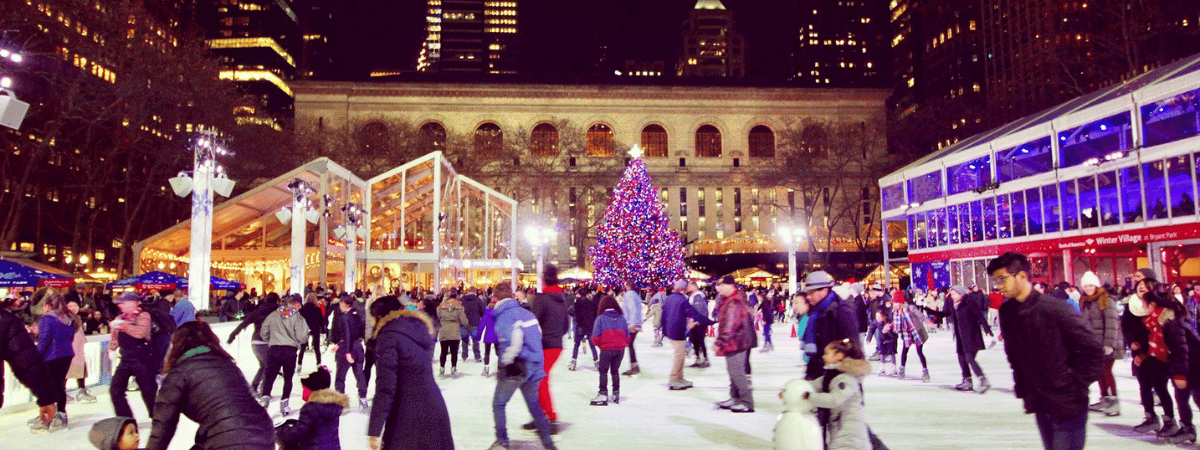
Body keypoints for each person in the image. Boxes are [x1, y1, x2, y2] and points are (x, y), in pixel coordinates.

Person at [989, 251, 1104, 450]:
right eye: (995, 280)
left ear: (1022, 276)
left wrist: (1075, 384)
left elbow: (1093, 349)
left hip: (1068, 404)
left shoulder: (1054, 309)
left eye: (1002, 279)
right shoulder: (1008, 313)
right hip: (1040, 401)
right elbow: (1014, 356)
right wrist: (1023, 387)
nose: (998, 285)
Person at [145, 321, 275, 450]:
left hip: (228, 439)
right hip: (264, 433)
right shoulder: (228, 365)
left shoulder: (179, 373)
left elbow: (163, 426)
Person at [367, 296, 455, 450]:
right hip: (434, 407)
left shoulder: (388, 336)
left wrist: (374, 429)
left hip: (407, 415)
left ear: (379, 317)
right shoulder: (417, 329)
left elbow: (386, 387)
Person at [489, 282, 558, 450]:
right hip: (534, 365)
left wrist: (504, 362)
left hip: (517, 367)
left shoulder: (505, 316)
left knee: (498, 403)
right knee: (534, 405)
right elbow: (538, 335)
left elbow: (513, 343)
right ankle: (548, 443)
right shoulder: (527, 313)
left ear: (495, 298)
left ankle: (502, 440)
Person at [804, 338, 871, 450]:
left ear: (839, 356)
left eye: (826, 354)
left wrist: (809, 396)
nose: (823, 356)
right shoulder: (831, 377)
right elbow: (812, 385)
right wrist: (793, 390)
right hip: (841, 435)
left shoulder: (846, 379)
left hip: (851, 438)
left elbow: (835, 400)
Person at [527, 264, 569, 430]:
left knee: (540, 380)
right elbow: (566, 325)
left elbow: (533, 323)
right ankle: (540, 415)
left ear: (544, 281)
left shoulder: (541, 299)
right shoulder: (562, 300)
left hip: (543, 345)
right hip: (556, 345)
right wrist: (556, 335)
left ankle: (550, 417)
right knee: (538, 380)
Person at [927, 285, 992, 391]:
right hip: (961, 336)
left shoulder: (969, 301)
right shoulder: (954, 305)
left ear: (960, 293)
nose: (952, 296)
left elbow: (978, 314)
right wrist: (932, 312)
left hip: (972, 336)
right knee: (962, 358)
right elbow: (946, 313)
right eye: (951, 294)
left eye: (954, 294)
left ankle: (983, 380)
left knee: (969, 358)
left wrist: (986, 327)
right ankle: (967, 381)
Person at [800, 271, 862, 381]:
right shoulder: (816, 313)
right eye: (807, 293)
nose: (808, 297)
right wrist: (810, 374)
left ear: (824, 290)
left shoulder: (841, 310)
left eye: (811, 293)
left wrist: (835, 354)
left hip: (841, 376)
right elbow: (817, 349)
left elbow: (852, 344)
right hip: (823, 372)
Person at [1079, 271, 1122, 417]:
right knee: (1098, 372)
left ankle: (1113, 401)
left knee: (1106, 371)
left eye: (1091, 285)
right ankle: (1105, 398)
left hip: (1108, 343)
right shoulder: (1085, 300)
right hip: (1094, 345)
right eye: (1086, 286)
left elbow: (1112, 323)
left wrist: (1109, 344)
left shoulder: (1106, 300)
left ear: (1096, 285)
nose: (1088, 288)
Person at [109, 292, 158, 421]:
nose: (120, 305)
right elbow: (114, 335)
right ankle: (126, 419)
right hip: (125, 358)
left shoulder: (143, 316)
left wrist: (122, 325)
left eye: (123, 303)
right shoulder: (120, 317)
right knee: (115, 390)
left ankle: (157, 418)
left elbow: (140, 333)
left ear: (133, 303)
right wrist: (111, 349)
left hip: (142, 357)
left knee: (148, 391)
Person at [260, 294, 311, 416]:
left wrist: (271, 340)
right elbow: (302, 337)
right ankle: (284, 403)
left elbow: (263, 331)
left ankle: (265, 399)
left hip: (274, 349)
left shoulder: (273, 315)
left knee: (269, 376)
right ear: (296, 304)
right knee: (288, 378)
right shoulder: (298, 318)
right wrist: (300, 340)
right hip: (290, 351)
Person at [32, 294, 75, 432]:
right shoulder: (70, 319)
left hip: (51, 356)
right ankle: (61, 414)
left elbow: (44, 340)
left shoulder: (47, 319)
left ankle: (46, 417)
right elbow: (70, 336)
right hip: (66, 355)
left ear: (48, 305)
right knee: (59, 385)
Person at [713, 275, 756, 413]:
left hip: (737, 341)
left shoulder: (734, 302)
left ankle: (746, 402)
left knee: (737, 372)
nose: (719, 288)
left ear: (730, 285)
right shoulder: (730, 299)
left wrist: (720, 341)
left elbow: (730, 325)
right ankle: (735, 398)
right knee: (733, 372)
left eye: (721, 285)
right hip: (735, 341)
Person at [662, 279, 715, 390]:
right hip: (678, 331)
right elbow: (694, 313)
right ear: (684, 289)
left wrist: (664, 330)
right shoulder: (682, 300)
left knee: (680, 355)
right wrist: (709, 322)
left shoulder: (669, 298)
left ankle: (680, 378)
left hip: (671, 331)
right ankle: (674, 380)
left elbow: (664, 314)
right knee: (679, 356)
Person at [276, 367, 347, 450]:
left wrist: (281, 431)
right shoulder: (334, 405)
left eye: (304, 389)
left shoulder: (311, 408)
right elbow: (318, 425)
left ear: (312, 391)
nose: (302, 392)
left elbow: (299, 432)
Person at [228, 293, 280, 393]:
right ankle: (264, 391)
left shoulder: (258, 311)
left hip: (255, 342)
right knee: (269, 367)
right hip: (267, 343)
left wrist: (232, 335)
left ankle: (254, 386)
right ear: (277, 300)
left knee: (264, 366)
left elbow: (244, 323)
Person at [331, 294, 369, 412]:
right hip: (358, 347)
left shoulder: (345, 317)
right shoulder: (357, 315)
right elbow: (357, 332)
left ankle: (340, 404)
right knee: (359, 375)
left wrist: (346, 351)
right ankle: (363, 399)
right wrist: (339, 344)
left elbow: (348, 335)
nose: (339, 305)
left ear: (347, 304)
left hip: (348, 349)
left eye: (341, 303)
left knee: (340, 378)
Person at [590, 295, 630, 405]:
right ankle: (616, 393)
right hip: (620, 350)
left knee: (603, 371)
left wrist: (601, 345)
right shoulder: (622, 318)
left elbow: (595, 337)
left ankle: (603, 393)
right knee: (615, 371)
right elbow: (627, 336)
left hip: (606, 350)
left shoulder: (600, 318)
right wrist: (622, 344)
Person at [889, 293, 930, 382]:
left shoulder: (910, 308)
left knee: (919, 352)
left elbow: (920, 315)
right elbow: (897, 324)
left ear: (901, 302)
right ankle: (902, 370)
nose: (894, 305)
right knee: (904, 350)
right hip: (906, 334)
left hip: (916, 332)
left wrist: (927, 320)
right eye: (894, 303)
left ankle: (925, 371)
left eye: (896, 302)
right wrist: (890, 326)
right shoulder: (896, 312)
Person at [64, 296, 96, 403]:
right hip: (69, 348)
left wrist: (82, 338)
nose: (73, 308)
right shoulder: (65, 317)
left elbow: (79, 331)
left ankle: (81, 390)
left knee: (80, 369)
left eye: (75, 305)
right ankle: (62, 393)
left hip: (78, 349)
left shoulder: (77, 317)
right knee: (66, 371)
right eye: (70, 305)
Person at [436, 293, 468, 377]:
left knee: (443, 351)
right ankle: (453, 368)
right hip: (454, 331)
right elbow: (464, 321)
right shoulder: (458, 308)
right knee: (454, 352)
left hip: (443, 331)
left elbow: (438, 318)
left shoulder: (441, 308)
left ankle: (442, 368)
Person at [569, 288, 599, 371]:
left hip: (580, 327)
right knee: (592, 346)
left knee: (576, 345)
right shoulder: (592, 303)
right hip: (590, 327)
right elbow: (595, 314)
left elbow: (575, 314)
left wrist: (578, 323)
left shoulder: (577, 303)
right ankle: (596, 362)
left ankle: (573, 362)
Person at [297, 293, 327, 372]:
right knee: (317, 348)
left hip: (305, 329)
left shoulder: (302, 309)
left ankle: (299, 364)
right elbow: (321, 320)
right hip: (315, 328)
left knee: (302, 348)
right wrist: (323, 330)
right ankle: (318, 363)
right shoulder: (317, 309)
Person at [686, 282, 712, 368]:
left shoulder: (698, 296)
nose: (687, 288)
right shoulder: (694, 296)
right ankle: (698, 359)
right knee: (695, 341)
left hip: (699, 323)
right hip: (695, 322)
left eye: (689, 286)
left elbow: (701, 310)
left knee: (700, 341)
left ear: (695, 287)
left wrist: (696, 322)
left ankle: (704, 360)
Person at [460, 287, 485, 362]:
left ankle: (464, 355)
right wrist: (479, 317)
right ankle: (477, 356)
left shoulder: (462, 299)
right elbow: (483, 310)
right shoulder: (478, 300)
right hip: (475, 322)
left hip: (464, 323)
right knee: (475, 339)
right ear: (475, 292)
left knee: (464, 339)